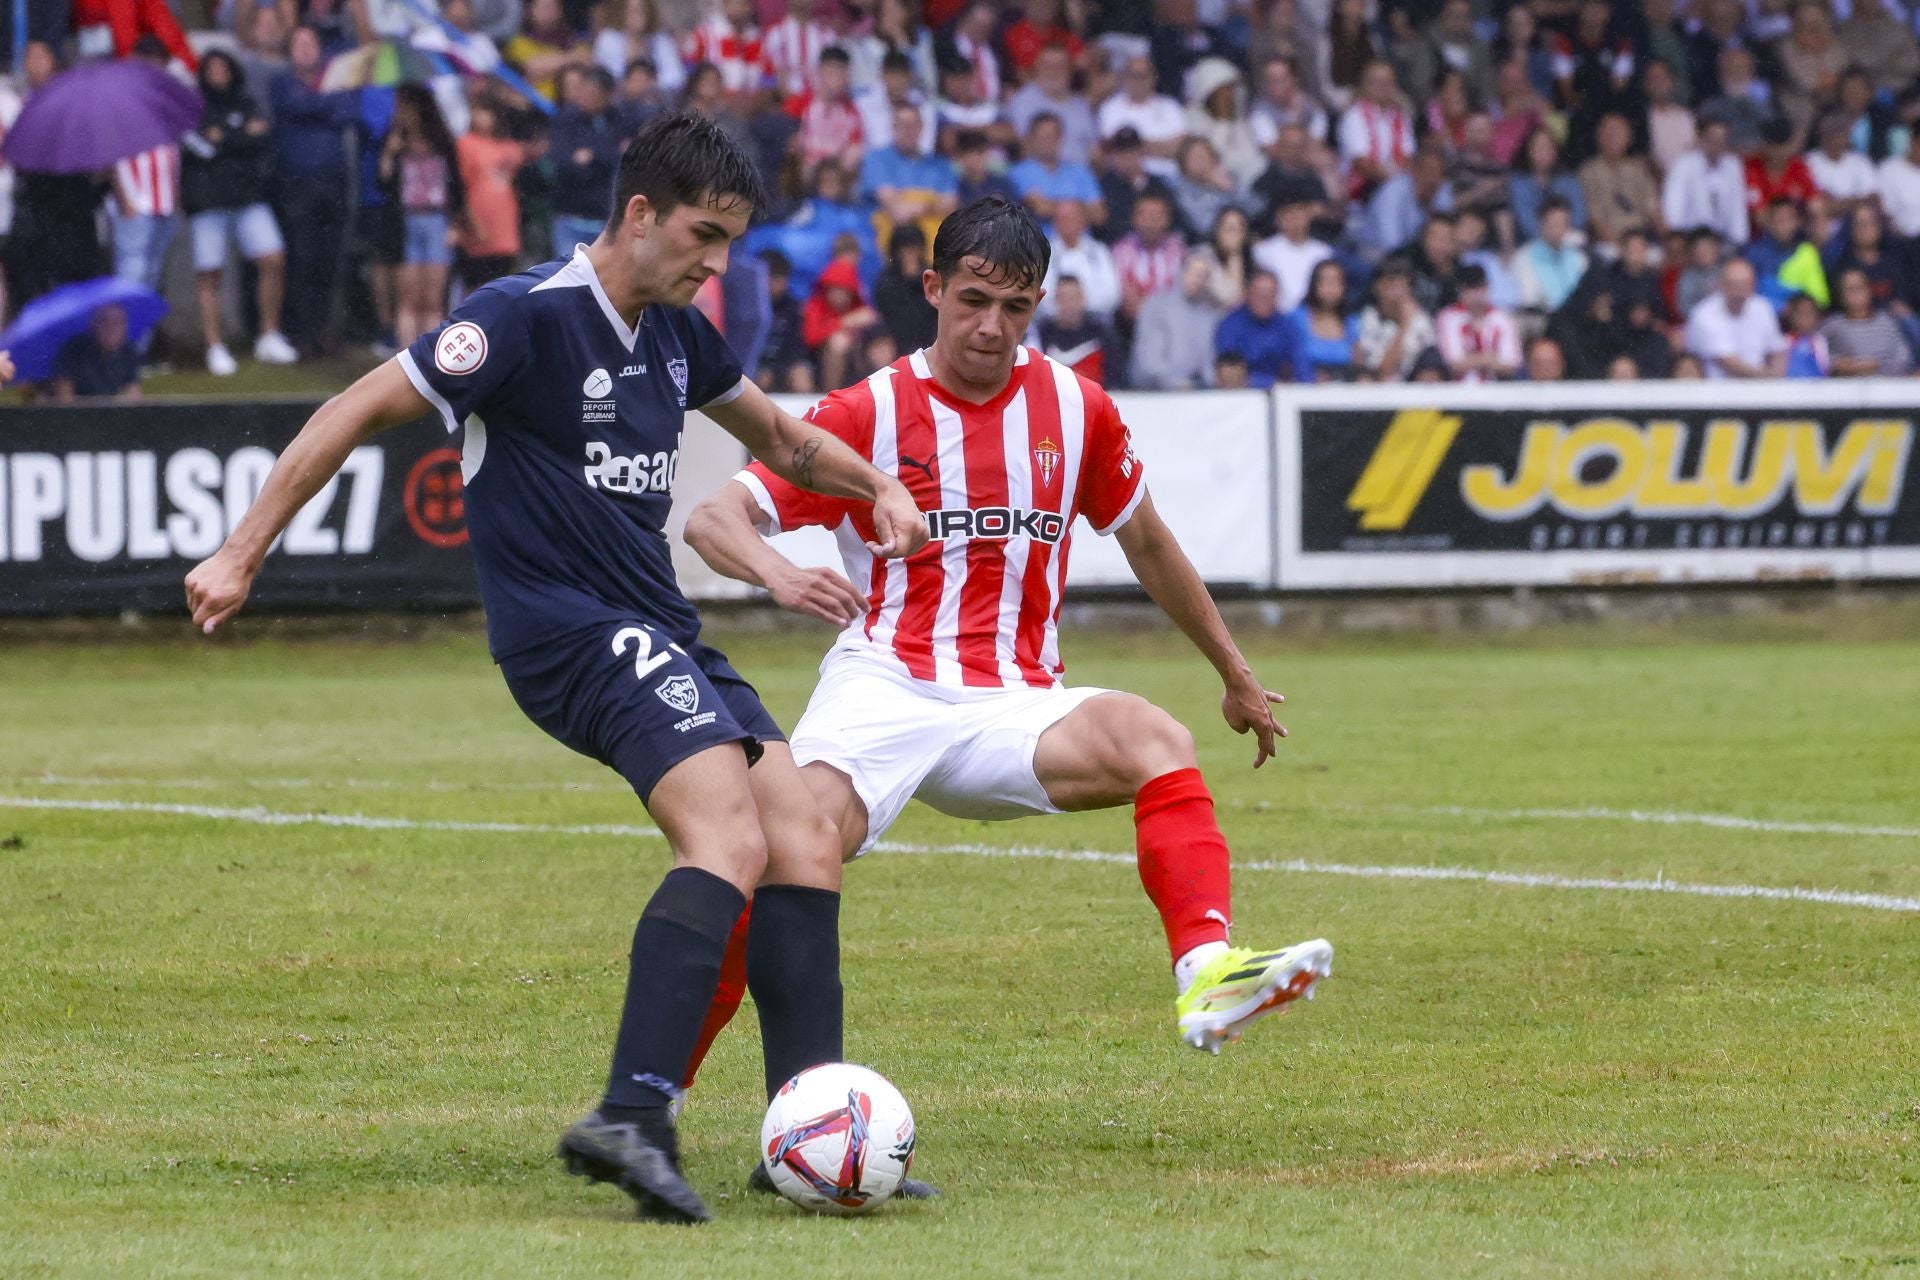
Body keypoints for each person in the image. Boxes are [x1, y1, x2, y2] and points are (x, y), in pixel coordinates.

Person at [183, 113, 929, 1225]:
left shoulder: (677, 334)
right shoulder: (520, 319)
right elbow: (351, 410)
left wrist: (876, 486)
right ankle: (634, 1111)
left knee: (805, 835)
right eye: (702, 234)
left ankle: (804, 1124)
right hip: (568, 631)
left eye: (728, 240)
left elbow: (779, 436)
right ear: (637, 213)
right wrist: (241, 549)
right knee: (724, 832)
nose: (715, 262)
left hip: (658, 626)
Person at [683, 195, 1331, 1078]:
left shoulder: (1078, 408)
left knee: (1158, 738)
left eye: (1017, 308)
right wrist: (782, 573)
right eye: (974, 301)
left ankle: (1207, 971)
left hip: (1016, 703)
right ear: (933, 289)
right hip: (885, 685)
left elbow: (1146, 539)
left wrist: (1235, 672)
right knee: (784, 855)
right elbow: (714, 519)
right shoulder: (866, 409)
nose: (993, 328)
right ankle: (659, 1092)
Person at [183, 50, 298, 376]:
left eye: (223, 68)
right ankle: (215, 346)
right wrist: (240, 137)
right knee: (210, 273)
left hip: (247, 199)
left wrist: (227, 139)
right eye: (212, 69)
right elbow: (201, 149)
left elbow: (260, 140)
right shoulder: (195, 108)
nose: (218, 74)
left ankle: (268, 335)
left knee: (273, 258)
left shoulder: (246, 103)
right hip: (207, 203)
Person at [268, 26, 358, 356]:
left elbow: (347, 111)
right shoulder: (281, 81)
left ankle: (326, 333)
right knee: (300, 260)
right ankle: (300, 334)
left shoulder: (338, 79)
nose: (305, 50)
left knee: (329, 261)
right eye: (299, 43)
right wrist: (323, 104)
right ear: (290, 50)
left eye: (311, 43)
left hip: (334, 183)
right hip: (296, 185)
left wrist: (314, 104)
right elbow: (295, 106)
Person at [380, 85, 466, 350]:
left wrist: (455, 223)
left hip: (437, 220)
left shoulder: (442, 142)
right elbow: (382, 183)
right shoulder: (394, 140)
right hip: (407, 221)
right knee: (409, 296)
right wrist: (389, 153)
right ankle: (406, 354)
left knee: (433, 296)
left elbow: (457, 186)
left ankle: (431, 356)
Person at [549, 67, 630, 261]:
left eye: (592, 93)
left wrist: (592, 155)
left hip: (605, 218)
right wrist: (604, 155)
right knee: (567, 273)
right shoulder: (566, 119)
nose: (585, 98)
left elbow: (621, 157)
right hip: (570, 215)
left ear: (608, 95)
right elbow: (562, 161)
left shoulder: (619, 119)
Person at [456, 97, 530, 295]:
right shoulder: (465, 145)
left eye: (485, 112)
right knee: (475, 288)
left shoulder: (510, 147)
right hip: (478, 224)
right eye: (475, 111)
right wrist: (471, 223)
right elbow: (460, 188)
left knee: (502, 285)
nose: (480, 118)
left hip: (506, 225)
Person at [1131, 249, 1224, 389]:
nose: (1196, 279)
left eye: (1203, 275)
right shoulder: (1156, 306)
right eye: (1192, 272)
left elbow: (1208, 364)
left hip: (1198, 392)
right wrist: (1175, 383)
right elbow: (1148, 361)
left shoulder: (1209, 315)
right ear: (1181, 272)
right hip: (1154, 392)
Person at [1686, 258, 1788, 378]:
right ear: (1722, 285)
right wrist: (1768, 378)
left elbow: (1778, 351)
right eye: (1734, 285)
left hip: (1760, 387)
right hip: (1715, 390)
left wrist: (1776, 379)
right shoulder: (1703, 314)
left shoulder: (1763, 307)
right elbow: (1728, 363)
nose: (1739, 292)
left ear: (1753, 285)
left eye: (1744, 285)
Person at [1578, 113, 1660, 251]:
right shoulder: (1587, 172)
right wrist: (1621, 247)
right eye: (1608, 132)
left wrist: (1669, 239)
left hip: (1641, 241)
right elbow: (1593, 218)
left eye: (1618, 133)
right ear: (1598, 137)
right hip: (1607, 243)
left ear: (1629, 138)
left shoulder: (1638, 170)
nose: (1612, 137)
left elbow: (1653, 209)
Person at [1663, 121, 1750, 246]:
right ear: (1700, 140)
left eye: (1722, 140)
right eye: (1713, 140)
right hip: (1690, 237)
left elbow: (1737, 207)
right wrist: (1677, 237)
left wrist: (1740, 240)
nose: (1717, 145)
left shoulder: (1733, 165)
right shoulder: (1684, 164)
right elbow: (1674, 205)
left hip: (1722, 238)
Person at [1009, 112, 1103, 225]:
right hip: (1039, 241)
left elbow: (1099, 215)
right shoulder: (1019, 173)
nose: (1047, 142)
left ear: (1061, 138)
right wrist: (1079, 206)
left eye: (1052, 136)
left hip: (1081, 241)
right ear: (1031, 139)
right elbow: (1040, 208)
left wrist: (1052, 206)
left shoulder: (1080, 171)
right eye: (1042, 137)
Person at [1434, 263, 1519, 383]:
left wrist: (1472, 360)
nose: (1476, 295)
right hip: (1458, 391)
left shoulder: (1502, 318)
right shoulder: (1449, 318)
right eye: (1470, 289)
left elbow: (1510, 365)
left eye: (1479, 288)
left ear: (1487, 288)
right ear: (1461, 291)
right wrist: (1488, 359)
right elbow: (1454, 364)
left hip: (1496, 391)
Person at [1822, 266, 1914, 377]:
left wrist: (1876, 365)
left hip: (1886, 386)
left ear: (1869, 290)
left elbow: (1903, 358)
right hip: (1846, 388)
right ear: (1840, 294)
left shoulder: (1887, 321)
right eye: (1849, 289)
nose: (1855, 294)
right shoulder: (1832, 325)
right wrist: (1837, 363)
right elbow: (1815, 353)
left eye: (1859, 287)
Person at [1355, 257, 1436, 381]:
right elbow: (1383, 370)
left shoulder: (1421, 320)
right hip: (1379, 393)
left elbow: (1431, 367)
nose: (1398, 291)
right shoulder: (1367, 320)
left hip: (1417, 393)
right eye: (1391, 283)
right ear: (1377, 286)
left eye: (1403, 284)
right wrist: (1404, 325)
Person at [1040, 199, 1119, 322]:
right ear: (1055, 223)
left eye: (1072, 218)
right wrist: (1066, 311)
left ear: (1083, 221)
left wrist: (1079, 308)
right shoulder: (1043, 254)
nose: (1067, 223)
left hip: (1095, 323)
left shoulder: (1099, 251)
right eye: (1062, 219)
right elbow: (1040, 296)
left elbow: (1112, 294)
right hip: (1053, 324)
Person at [1213, 269, 1293, 388]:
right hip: (1242, 396)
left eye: (1270, 294)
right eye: (1260, 293)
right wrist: (1269, 384)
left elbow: (1299, 365)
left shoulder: (1286, 325)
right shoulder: (1230, 325)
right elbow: (1229, 372)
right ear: (1247, 293)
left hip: (1282, 394)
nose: (1265, 298)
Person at [1252, 195, 1332, 312]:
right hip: (1276, 318)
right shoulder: (1262, 251)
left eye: (1300, 211)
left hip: (1313, 318)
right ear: (1278, 218)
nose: (1295, 218)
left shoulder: (1323, 252)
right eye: (1289, 213)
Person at [1287, 258, 1360, 383]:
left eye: (1336, 282)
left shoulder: (1351, 321)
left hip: (1343, 389)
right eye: (1326, 281)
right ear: (1314, 284)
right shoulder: (1296, 318)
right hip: (1304, 389)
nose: (1331, 287)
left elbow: (1357, 363)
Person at [1034, 274, 1117, 384]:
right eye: (1063, 298)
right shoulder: (1043, 333)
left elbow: (1116, 376)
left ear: (1083, 299)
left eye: (1072, 298)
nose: (1068, 305)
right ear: (1055, 300)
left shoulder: (1101, 334)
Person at [1513, 197, 1588, 314]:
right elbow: (1529, 301)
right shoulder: (1524, 258)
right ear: (1541, 223)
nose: (1558, 229)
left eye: (1562, 223)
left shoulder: (1579, 257)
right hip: (1544, 320)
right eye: (1553, 223)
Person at [872, 224, 938, 356]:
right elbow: (887, 314)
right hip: (895, 340)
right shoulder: (886, 280)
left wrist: (916, 278)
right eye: (905, 249)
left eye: (914, 249)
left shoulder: (932, 276)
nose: (910, 254)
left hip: (929, 338)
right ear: (896, 252)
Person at [52, 304, 141, 401]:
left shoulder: (128, 350)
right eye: (104, 321)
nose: (111, 328)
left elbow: (134, 393)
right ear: (92, 325)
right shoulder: (73, 350)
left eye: (117, 322)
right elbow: (64, 397)